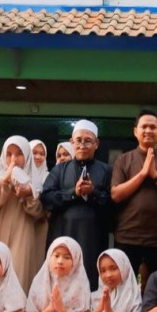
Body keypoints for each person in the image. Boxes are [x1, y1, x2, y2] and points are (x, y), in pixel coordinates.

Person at [112, 110, 157, 286]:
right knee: (123, 286)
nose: (148, 130)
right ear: (135, 131)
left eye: (152, 127)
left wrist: (155, 175)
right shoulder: (124, 160)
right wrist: (142, 174)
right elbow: (115, 195)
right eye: (143, 126)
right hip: (127, 235)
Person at [41, 120, 113, 286]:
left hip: (93, 235)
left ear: (96, 144)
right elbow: (46, 198)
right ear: (72, 142)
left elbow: (113, 202)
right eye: (78, 140)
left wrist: (93, 193)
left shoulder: (106, 170)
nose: (82, 145)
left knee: (90, 278)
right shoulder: (59, 169)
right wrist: (73, 193)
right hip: (62, 231)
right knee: (60, 278)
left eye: (88, 141)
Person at [0, 136, 50, 285]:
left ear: (27, 156)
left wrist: (29, 194)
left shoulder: (37, 181)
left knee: (18, 273)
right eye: (9, 154)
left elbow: (40, 213)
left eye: (19, 154)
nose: (13, 159)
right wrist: (5, 182)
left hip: (23, 231)